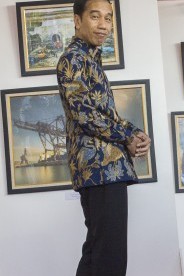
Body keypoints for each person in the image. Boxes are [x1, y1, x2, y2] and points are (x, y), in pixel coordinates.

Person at [56, 0, 151, 275]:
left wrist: (133, 133)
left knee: (99, 253)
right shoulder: (73, 59)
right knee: (109, 257)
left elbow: (102, 113)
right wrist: (127, 137)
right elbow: (83, 113)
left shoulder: (90, 60)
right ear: (77, 20)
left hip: (107, 169)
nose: (103, 25)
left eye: (108, 19)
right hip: (100, 169)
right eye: (95, 17)